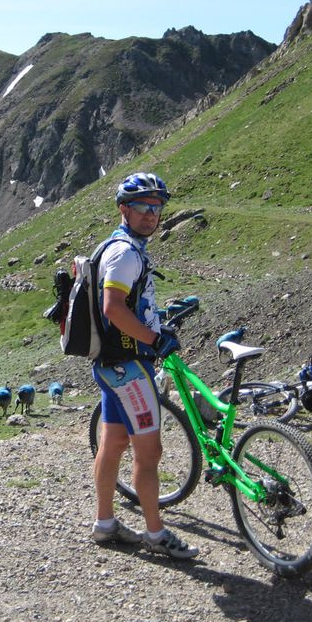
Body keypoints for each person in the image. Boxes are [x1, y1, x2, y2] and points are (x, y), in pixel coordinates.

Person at [89, 172, 199, 559]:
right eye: (142, 207)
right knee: (148, 453)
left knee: (114, 441)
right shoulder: (125, 253)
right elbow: (113, 307)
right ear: (124, 209)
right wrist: (153, 339)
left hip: (110, 365)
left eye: (157, 207)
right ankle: (156, 533)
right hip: (131, 368)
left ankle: (105, 524)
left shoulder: (118, 246)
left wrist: (152, 323)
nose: (151, 214)